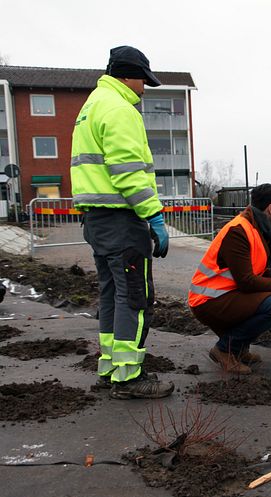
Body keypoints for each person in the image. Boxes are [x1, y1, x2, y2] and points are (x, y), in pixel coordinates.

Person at [71, 46, 173, 399]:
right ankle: (129, 378)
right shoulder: (119, 109)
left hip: (97, 221)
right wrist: (154, 217)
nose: (144, 89)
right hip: (122, 220)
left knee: (112, 295)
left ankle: (111, 368)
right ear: (129, 76)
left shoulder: (90, 108)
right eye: (143, 81)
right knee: (134, 298)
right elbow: (129, 172)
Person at [189, 184, 271, 373]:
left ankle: (240, 347)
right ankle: (225, 349)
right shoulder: (239, 231)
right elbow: (246, 282)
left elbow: (259, 269)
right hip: (208, 301)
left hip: (228, 294)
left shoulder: (257, 227)